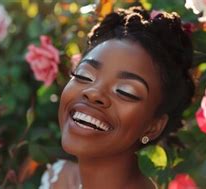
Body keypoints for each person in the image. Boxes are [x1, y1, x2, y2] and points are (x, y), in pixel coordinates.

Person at [40, 5, 195, 189]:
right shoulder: (58, 177)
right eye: (84, 76)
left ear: (153, 127)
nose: (94, 93)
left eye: (125, 92)